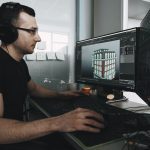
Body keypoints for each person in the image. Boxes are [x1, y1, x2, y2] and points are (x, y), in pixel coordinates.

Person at [0, 2, 104, 150]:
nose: (38, 38)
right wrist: (58, 122)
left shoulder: (19, 63)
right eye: (32, 31)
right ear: (9, 32)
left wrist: (62, 95)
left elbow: (34, 88)